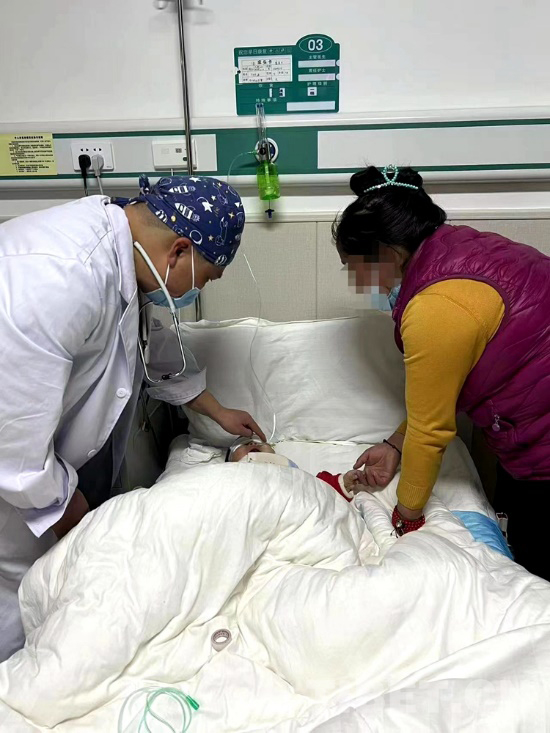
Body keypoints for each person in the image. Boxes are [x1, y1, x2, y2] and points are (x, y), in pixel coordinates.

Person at [0, 174, 265, 661]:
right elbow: (13, 443)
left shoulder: (124, 258)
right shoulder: (58, 277)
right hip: (13, 491)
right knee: (21, 622)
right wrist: (80, 523)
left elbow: (149, 345)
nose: (199, 289)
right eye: (206, 278)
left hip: (40, 473)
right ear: (179, 252)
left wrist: (217, 411)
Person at [332, 164, 550, 574]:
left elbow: (431, 429)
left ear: (388, 254)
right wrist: (395, 446)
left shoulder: (435, 306)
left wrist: (406, 516)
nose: (357, 281)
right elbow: (446, 381)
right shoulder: (461, 247)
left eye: (354, 266)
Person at [227, 437, 363, 501]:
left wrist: (343, 483)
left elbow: (316, 488)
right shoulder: (228, 474)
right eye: (242, 445)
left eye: (260, 443)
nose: (252, 443)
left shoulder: (289, 468)